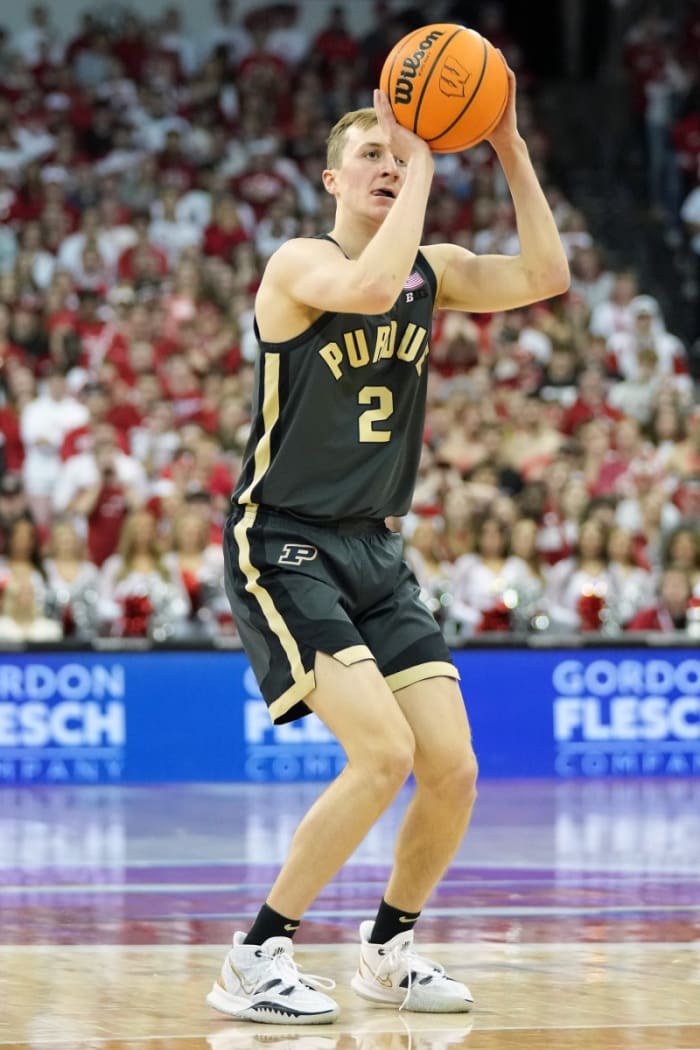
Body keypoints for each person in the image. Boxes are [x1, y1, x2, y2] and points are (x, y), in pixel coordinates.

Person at [208, 67, 569, 1025]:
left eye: (395, 150)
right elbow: (367, 288)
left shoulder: (433, 269)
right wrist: (421, 157)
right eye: (369, 154)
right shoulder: (299, 263)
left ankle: (387, 949)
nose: (387, 163)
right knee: (381, 753)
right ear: (332, 181)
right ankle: (255, 955)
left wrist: (504, 144)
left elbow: (546, 276)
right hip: (282, 539)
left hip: (375, 546)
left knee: (451, 765)